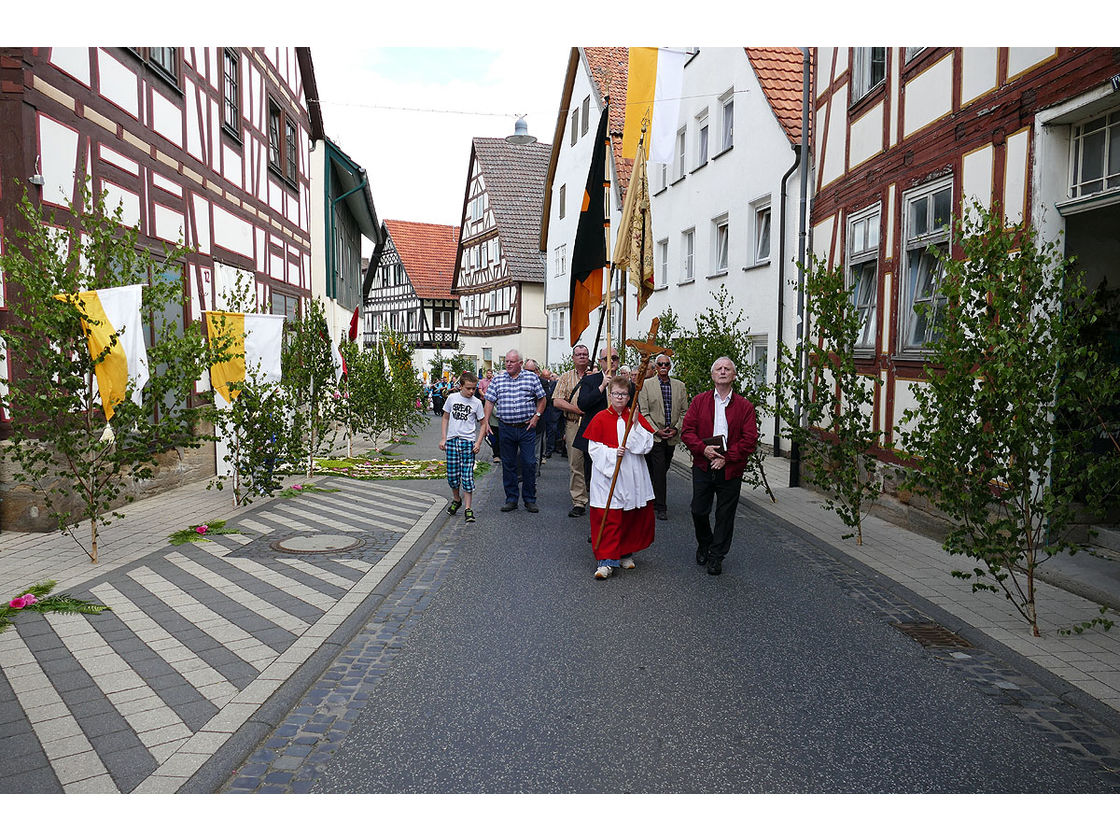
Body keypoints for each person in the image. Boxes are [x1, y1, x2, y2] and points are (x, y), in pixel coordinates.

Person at [680, 356, 759, 576]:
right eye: (718, 368)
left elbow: (750, 438)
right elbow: (687, 431)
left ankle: (716, 556)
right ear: (713, 375)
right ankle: (705, 543)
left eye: (727, 369)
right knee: (698, 510)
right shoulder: (699, 401)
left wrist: (728, 457)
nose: (723, 371)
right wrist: (702, 449)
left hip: (730, 466)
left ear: (734, 375)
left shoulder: (744, 406)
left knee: (725, 514)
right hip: (703, 464)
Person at [584, 374, 657, 579]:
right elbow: (594, 449)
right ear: (609, 394)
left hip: (632, 473)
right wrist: (611, 454)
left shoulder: (634, 417)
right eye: (616, 393)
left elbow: (646, 445)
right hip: (608, 476)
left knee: (629, 514)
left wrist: (634, 425)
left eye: (624, 394)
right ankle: (606, 561)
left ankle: (625, 552)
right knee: (610, 516)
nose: (619, 398)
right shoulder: (600, 418)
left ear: (628, 397)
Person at [482, 349, 547, 512]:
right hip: (506, 428)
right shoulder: (498, 380)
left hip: (526, 428)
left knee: (529, 463)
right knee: (509, 464)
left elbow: (542, 399)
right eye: (507, 361)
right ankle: (511, 499)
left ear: (520, 363)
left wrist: (536, 416)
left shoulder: (531, 378)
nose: (508, 364)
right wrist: (486, 422)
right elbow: (489, 401)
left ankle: (530, 499)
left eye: (512, 361)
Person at [637, 353, 689, 521]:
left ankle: (649, 495)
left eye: (666, 364)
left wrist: (676, 429)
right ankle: (661, 507)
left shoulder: (679, 386)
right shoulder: (646, 385)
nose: (663, 367)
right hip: (655, 436)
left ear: (670, 366)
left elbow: (684, 412)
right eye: (660, 364)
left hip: (672, 435)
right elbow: (643, 413)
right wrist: (656, 430)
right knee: (659, 471)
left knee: (661, 468)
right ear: (656, 367)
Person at [439, 371, 487, 523]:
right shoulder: (452, 399)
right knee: (452, 477)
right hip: (453, 441)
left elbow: (483, 423)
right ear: (461, 386)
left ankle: (468, 508)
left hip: (468, 443)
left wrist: (478, 442)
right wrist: (444, 438)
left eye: (474, 388)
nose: (472, 391)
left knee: (467, 477)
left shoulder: (477, 403)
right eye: (469, 388)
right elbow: (445, 418)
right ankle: (456, 499)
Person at [571, 346, 620, 493]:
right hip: (595, 434)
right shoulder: (590, 380)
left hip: (616, 434)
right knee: (591, 472)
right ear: (601, 361)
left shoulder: (624, 382)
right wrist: (602, 386)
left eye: (614, 358)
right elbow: (583, 404)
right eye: (607, 359)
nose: (611, 361)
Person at [552, 344, 593, 516]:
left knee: (598, 464)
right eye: (579, 354)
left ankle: (600, 498)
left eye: (585, 354)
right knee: (576, 463)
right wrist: (576, 410)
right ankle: (579, 501)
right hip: (574, 424)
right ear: (573, 358)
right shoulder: (565, 377)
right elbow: (556, 401)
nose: (582, 357)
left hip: (594, 425)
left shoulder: (597, 376)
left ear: (589, 357)